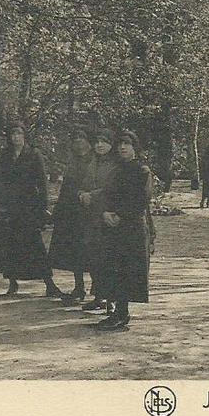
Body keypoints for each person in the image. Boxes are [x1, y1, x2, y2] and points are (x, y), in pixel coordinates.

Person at [96, 130, 153, 330]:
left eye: (127, 144)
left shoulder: (142, 171)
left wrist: (119, 215)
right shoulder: (116, 170)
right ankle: (117, 312)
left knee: (128, 270)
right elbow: (105, 195)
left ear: (134, 147)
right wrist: (104, 213)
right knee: (114, 269)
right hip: (113, 226)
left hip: (131, 227)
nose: (122, 147)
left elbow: (140, 200)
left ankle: (123, 313)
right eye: (120, 144)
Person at [0, 121, 62, 297]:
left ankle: (49, 283)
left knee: (35, 245)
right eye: (12, 134)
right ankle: (12, 283)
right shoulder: (4, 156)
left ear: (24, 136)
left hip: (29, 206)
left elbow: (42, 182)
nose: (16, 137)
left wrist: (43, 207)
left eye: (19, 133)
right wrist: (1, 203)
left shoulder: (34, 154)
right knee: (11, 245)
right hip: (11, 207)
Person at [48, 126, 93, 304]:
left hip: (90, 209)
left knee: (92, 251)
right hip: (72, 211)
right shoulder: (73, 161)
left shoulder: (94, 160)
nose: (79, 142)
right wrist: (58, 211)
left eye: (82, 138)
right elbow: (66, 187)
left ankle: (99, 291)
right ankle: (79, 287)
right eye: (75, 139)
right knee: (75, 251)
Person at [79, 128, 120, 313]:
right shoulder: (92, 163)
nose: (100, 145)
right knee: (93, 257)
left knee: (107, 258)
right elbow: (84, 184)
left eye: (104, 141)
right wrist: (81, 194)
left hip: (107, 215)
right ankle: (98, 296)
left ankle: (110, 299)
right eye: (97, 141)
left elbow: (111, 189)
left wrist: (91, 195)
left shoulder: (116, 165)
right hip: (91, 217)